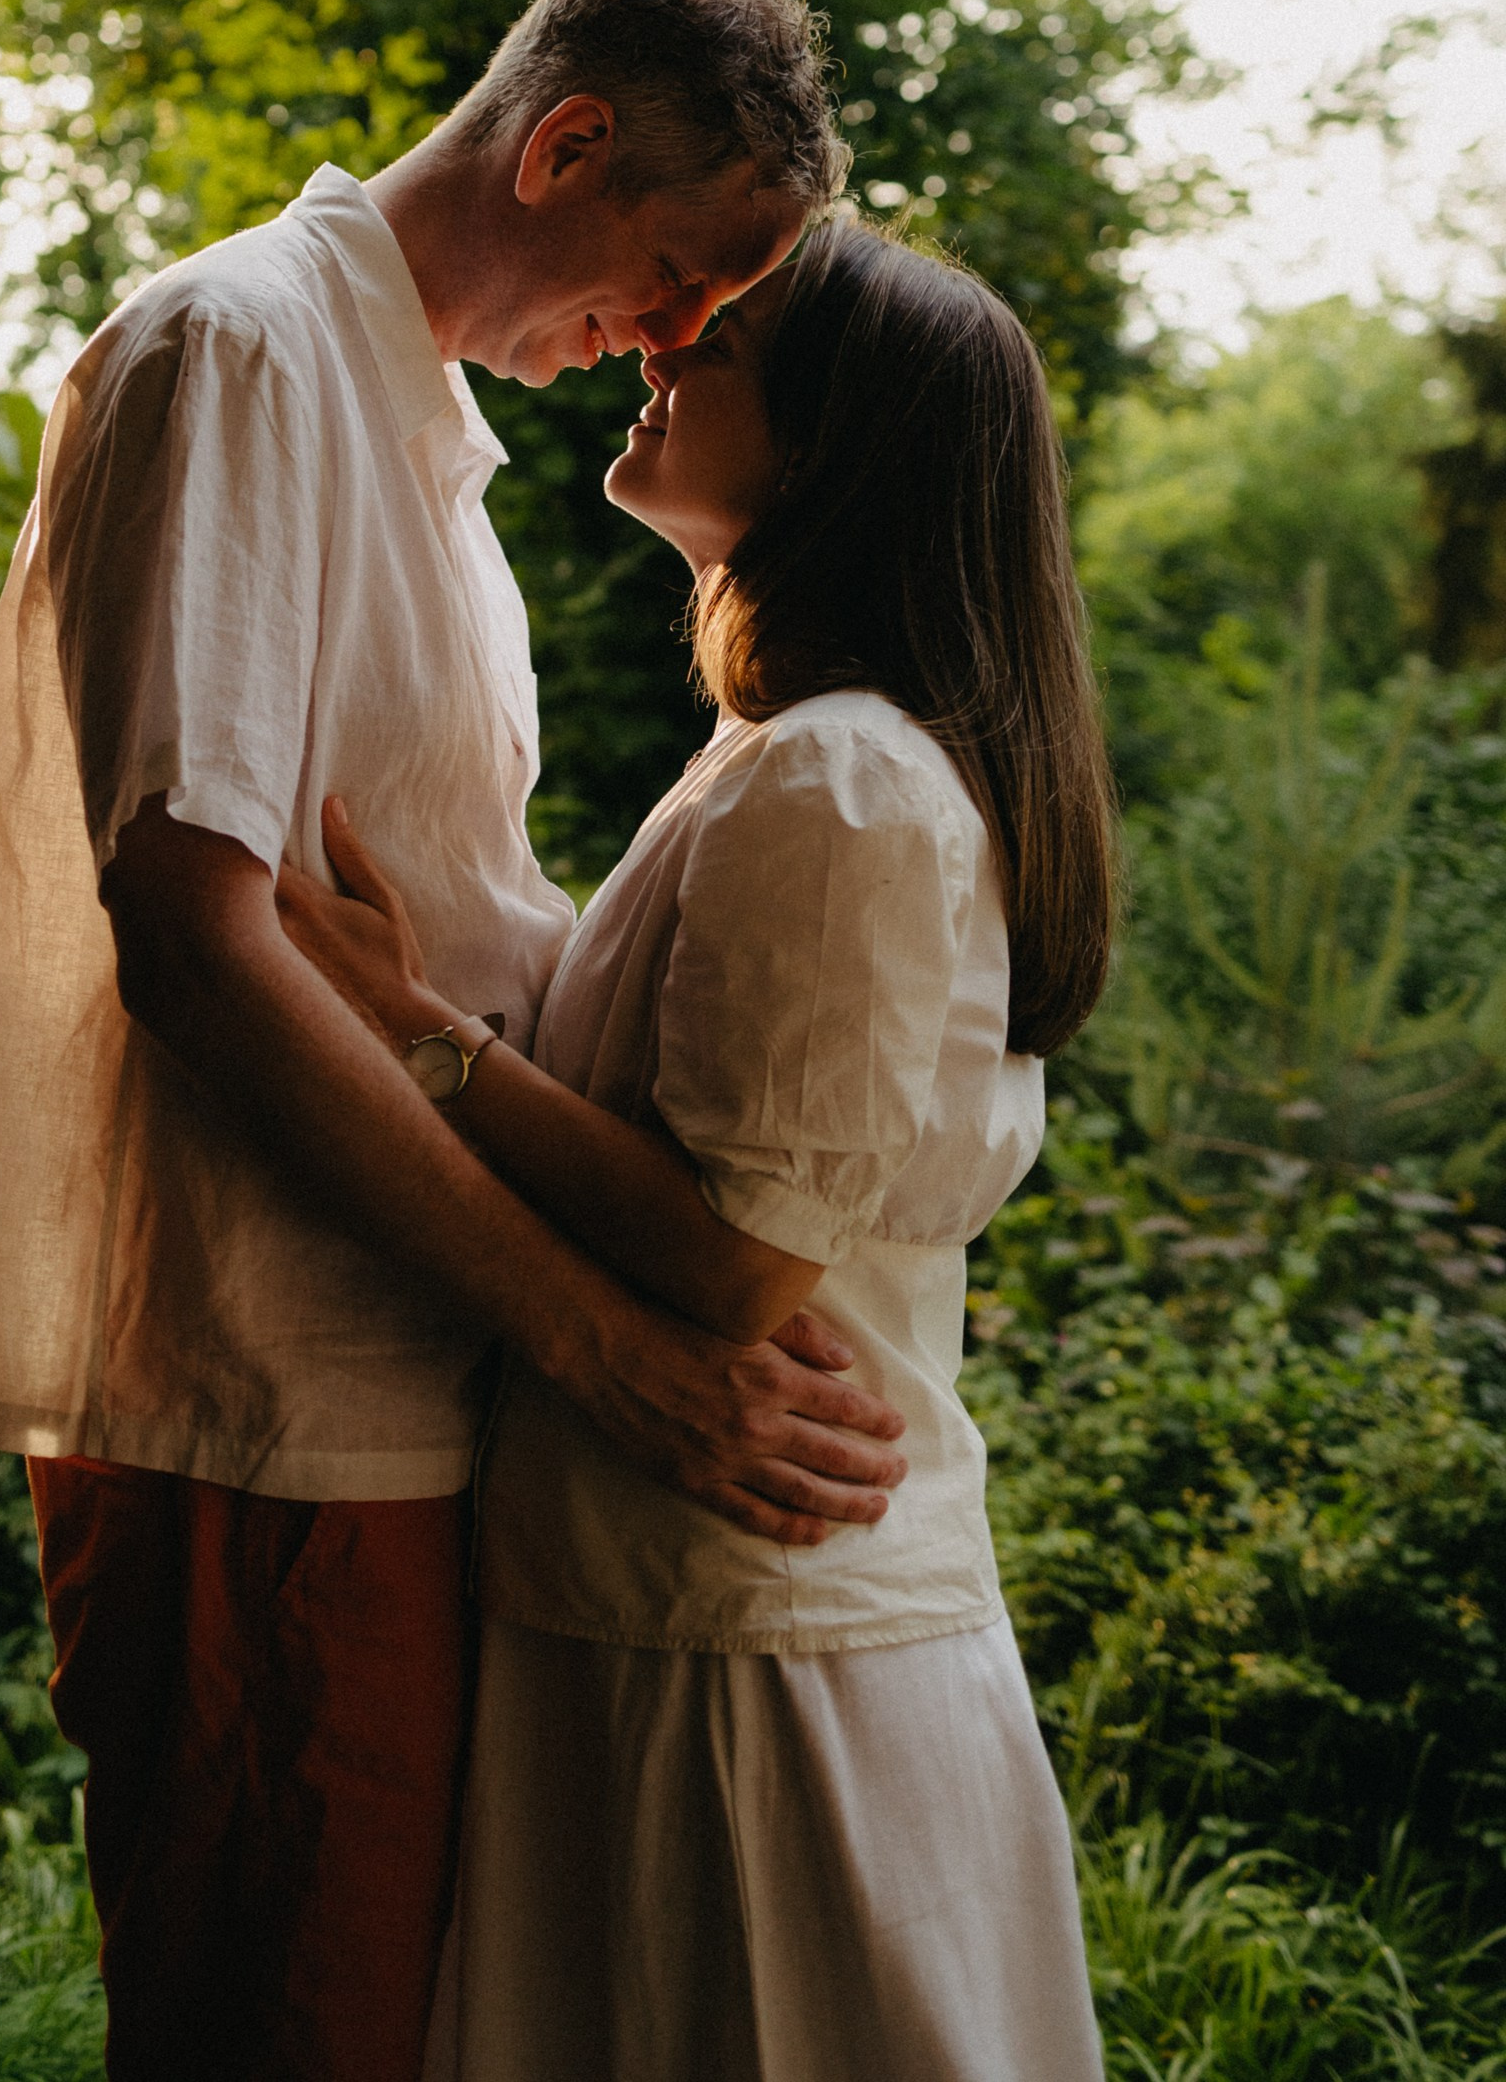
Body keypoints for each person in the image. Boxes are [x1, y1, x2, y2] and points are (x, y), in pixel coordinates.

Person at [0, 0, 911, 2082]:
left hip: (391, 1388)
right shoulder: (243, 352)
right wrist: (613, 1350)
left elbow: (420, 935)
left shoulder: (415, 430)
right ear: (561, 154)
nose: (673, 339)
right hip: (280, 1394)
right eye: (680, 276)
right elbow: (197, 936)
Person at [276, 215, 1116, 2082]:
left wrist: (413, 1037)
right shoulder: (794, 755)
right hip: (684, 1608)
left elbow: (741, 1263)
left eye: (712, 345)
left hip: (756, 1652)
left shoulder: (847, 783)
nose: (658, 346)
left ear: (834, 447)